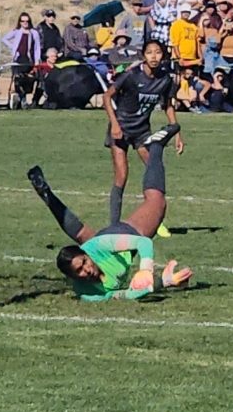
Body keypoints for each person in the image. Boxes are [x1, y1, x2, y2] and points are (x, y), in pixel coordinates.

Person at [26, 130, 193, 302]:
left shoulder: (97, 247)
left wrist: (145, 269)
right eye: (79, 271)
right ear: (72, 277)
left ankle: (156, 146)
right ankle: (46, 193)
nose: (87, 270)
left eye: (84, 262)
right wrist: (165, 282)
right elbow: (123, 295)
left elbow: (143, 242)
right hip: (105, 244)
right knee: (82, 233)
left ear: (87, 254)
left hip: (123, 234)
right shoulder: (86, 292)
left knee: (157, 200)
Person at [101, 39, 184, 230]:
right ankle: (114, 225)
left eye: (158, 52)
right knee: (121, 176)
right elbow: (107, 96)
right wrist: (114, 124)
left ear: (163, 56)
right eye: (150, 53)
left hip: (142, 131)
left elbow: (168, 106)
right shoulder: (131, 76)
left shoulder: (165, 79)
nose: (154, 56)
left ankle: (154, 219)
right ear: (143, 56)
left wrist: (177, 132)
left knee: (154, 173)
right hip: (121, 128)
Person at [2, 12, 41, 109]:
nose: (25, 23)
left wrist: (37, 60)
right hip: (18, 59)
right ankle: (20, 99)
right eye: (23, 21)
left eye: (27, 21)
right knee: (18, 80)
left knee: (28, 80)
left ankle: (24, 99)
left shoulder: (34, 33)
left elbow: (37, 48)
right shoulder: (16, 32)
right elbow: (4, 39)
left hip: (29, 60)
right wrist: (14, 48)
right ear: (20, 22)